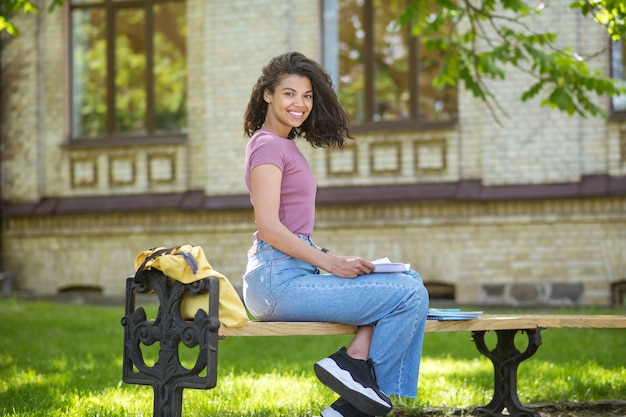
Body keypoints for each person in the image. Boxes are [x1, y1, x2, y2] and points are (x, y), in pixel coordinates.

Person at [242, 51, 429, 417]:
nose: (300, 104)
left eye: (308, 96)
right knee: (407, 293)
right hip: (277, 281)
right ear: (267, 94)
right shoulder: (267, 145)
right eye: (289, 93)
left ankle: (355, 373)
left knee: (409, 279)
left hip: (289, 274)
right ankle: (358, 384)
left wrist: (332, 264)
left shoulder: (282, 144)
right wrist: (332, 263)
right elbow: (268, 226)